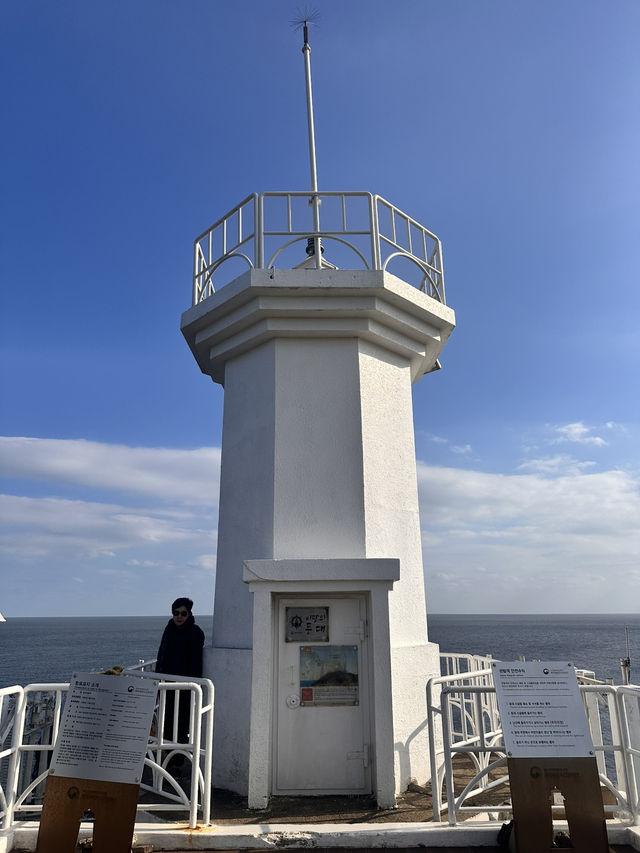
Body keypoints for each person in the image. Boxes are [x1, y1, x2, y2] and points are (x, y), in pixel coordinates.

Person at [156, 597, 205, 742]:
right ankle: (167, 755)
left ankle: (178, 758)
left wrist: (192, 684)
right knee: (166, 720)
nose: (179, 616)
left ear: (189, 614)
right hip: (165, 684)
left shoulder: (195, 632)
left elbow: (195, 661)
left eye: (183, 613)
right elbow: (162, 653)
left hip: (184, 686)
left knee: (181, 723)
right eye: (176, 613)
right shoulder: (169, 628)